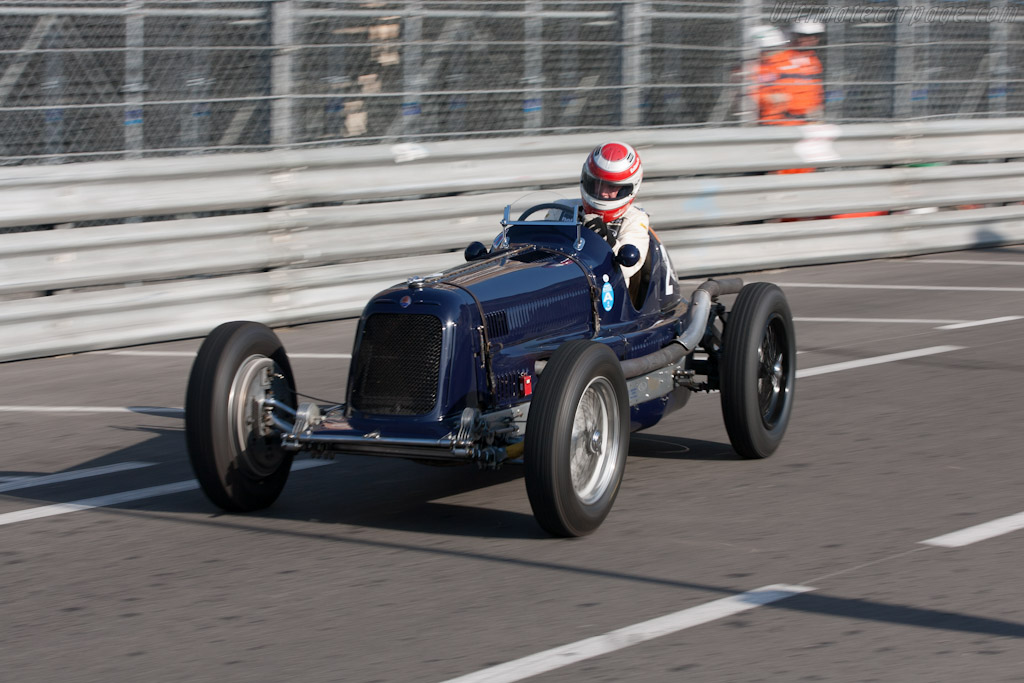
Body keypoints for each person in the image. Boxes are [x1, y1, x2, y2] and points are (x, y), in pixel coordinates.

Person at [579, 141, 651, 291]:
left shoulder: (635, 219)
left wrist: (605, 240)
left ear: (629, 187)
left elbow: (629, 267)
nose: (603, 192)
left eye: (611, 186)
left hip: (608, 297)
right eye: (596, 183)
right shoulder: (561, 209)